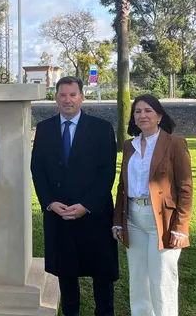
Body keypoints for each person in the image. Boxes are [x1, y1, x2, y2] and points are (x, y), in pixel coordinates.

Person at [30, 76, 119, 316]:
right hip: (59, 214)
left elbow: (107, 172)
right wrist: (49, 203)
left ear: (82, 97)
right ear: (55, 98)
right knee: (66, 275)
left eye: (72, 95)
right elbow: (37, 169)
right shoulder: (45, 128)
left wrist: (86, 205)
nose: (67, 100)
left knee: (102, 277)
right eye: (62, 95)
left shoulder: (101, 129)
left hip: (94, 214)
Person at [112, 94, 193, 316]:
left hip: (162, 221)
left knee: (162, 282)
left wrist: (181, 227)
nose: (142, 115)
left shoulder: (174, 143)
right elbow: (122, 186)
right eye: (137, 111)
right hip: (133, 218)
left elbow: (185, 188)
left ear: (159, 116)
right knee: (138, 282)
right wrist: (118, 222)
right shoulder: (130, 146)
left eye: (148, 110)